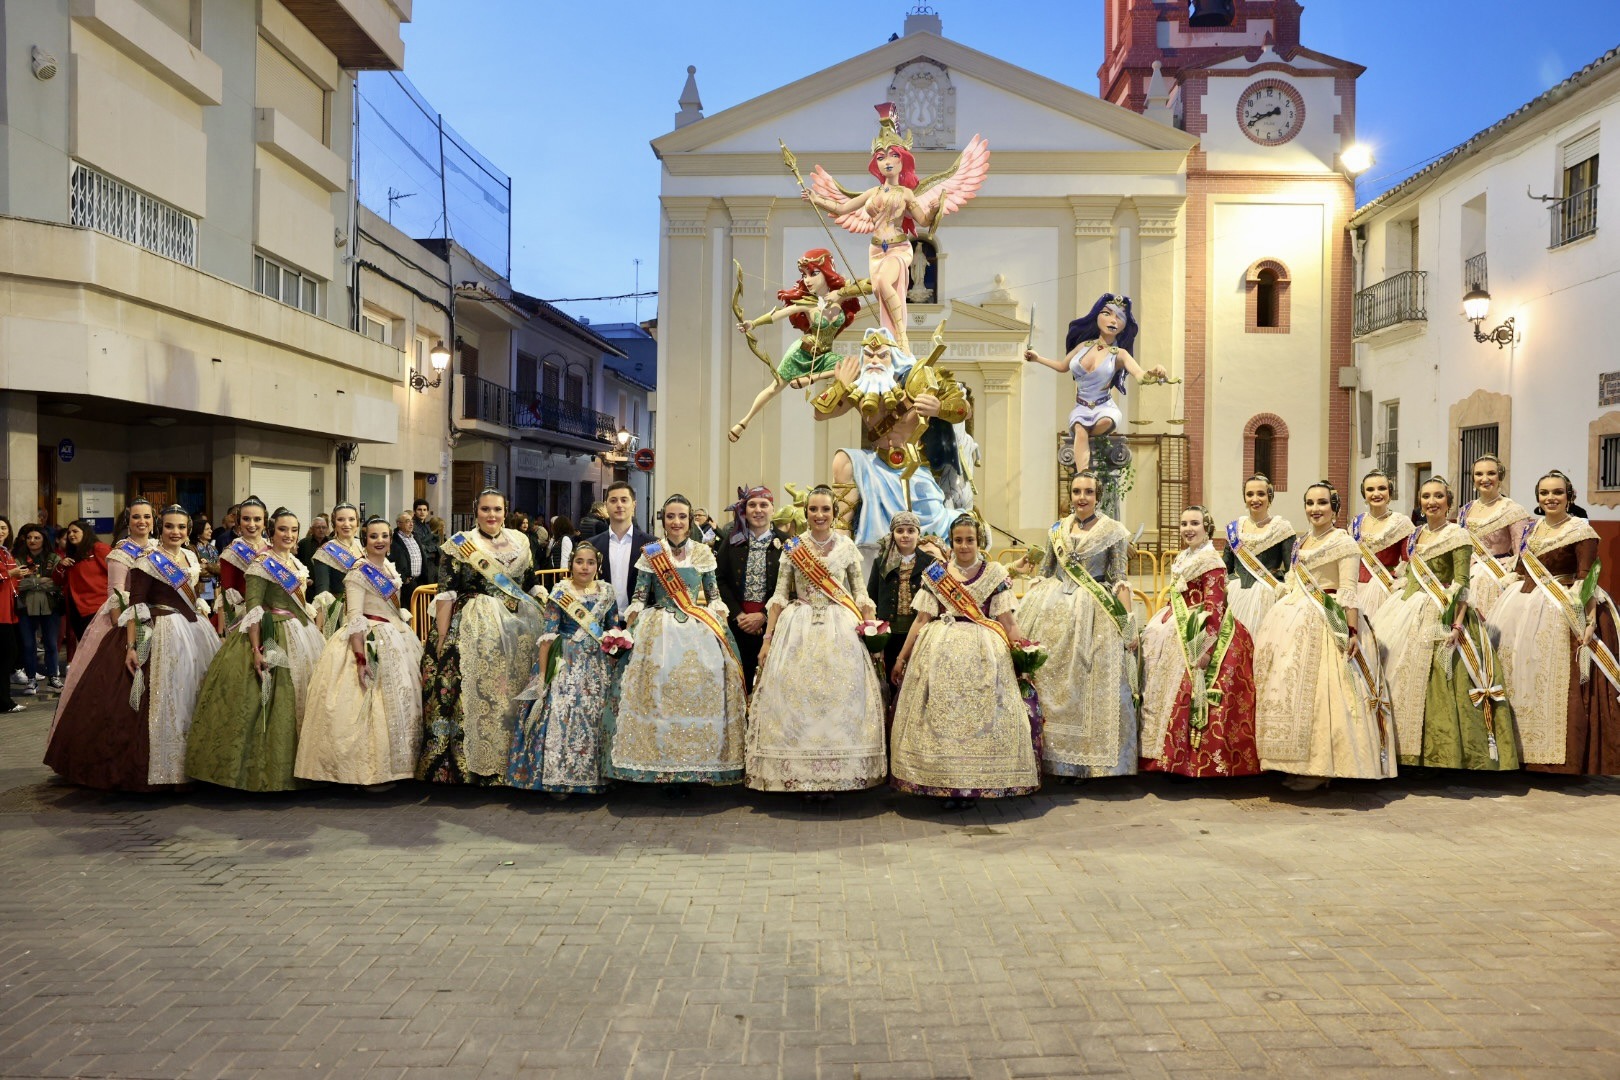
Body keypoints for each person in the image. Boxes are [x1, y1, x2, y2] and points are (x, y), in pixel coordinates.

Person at [44, 505, 219, 790]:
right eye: (170, 526)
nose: (175, 532)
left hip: (195, 630)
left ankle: (197, 762)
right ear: (160, 528)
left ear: (188, 531)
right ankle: (164, 767)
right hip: (162, 632)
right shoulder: (147, 559)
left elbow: (192, 591)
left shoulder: (190, 555)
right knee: (163, 696)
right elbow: (136, 603)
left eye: (181, 527)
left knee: (195, 692)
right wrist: (132, 645)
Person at [799, 102, 988, 354]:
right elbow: (843, 208)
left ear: (903, 162)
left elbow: (922, 221)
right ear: (876, 164)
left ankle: (902, 339)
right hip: (877, 251)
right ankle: (890, 336)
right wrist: (817, 199)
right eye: (881, 157)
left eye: (893, 156)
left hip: (899, 249)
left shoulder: (907, 193)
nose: (887, 161)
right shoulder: (871, 193)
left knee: (885, 285)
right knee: (878, 288)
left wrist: (933, 209)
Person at [890, 514, 1039, 807]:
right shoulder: (936, 573)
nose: (964, 546)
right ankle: (946, 781)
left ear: (979, 541)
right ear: (951, 542)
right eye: (958, 540)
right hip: (939, 651)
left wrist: (1023, 656)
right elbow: (921, 619)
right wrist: (901, 657)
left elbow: (1008, 623)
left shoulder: (994, 573)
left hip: (984, 652)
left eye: (969, 540)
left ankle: (975, 782)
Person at [1254, 482, 1396, 789]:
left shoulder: (1343, 541)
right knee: (1289, 692)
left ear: (1334, 508)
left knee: (1325, 698)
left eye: (1322, 503)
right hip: (1291, 619)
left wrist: (1352, 631)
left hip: (1328, 620)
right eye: (1310, 503)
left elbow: (1348, 590)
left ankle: (1322, 768)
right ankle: (1294, 763)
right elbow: (1293, 580)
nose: (1315, 509)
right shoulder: (1301, 542)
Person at [746, 486, 886, 796]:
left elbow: (860, 592)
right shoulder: (793, 547)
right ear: (805, 512)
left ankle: (837, 777)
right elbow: (780, 595)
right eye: (813, 509)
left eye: (825, 509)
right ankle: (801, 776)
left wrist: (870, 625)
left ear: (835, 514)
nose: (819, 515)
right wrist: (768, 640)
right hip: (799, 627)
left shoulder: (847, 547)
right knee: (799, 701)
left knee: (839, 700)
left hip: (842, 628)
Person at [1372, 477, 1518, 770]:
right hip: (1405, 611)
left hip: (1445, 614)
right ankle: (1402, 751)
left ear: (1448, 502)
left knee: (1439, 683)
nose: (1431, 501)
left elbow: (1462, 583)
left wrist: (1457, 626)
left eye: (1438, 496)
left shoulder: (1458, 535)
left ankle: (1438, 756)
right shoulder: (1415, 535)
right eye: (1426, 496)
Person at [606, 494, 746, 788]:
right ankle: (662, 766)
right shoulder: (652, 553)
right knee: (660, 697)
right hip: (659, 629)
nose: (677, 522)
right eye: (671, 516)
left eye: (682, 516)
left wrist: (719, 626)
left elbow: (714, 596)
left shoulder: (703, 552)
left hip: (698, 627)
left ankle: (698, 766)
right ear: (663, 520)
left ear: (691, 519)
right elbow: (640, 597)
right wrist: (627, 630)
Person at [1490, 470, 1620, 774]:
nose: (1551, 498)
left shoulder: (1580, 530)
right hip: (1520, 607)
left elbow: (1585, 577)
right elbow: (1522, 569)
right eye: (1545, 493)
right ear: (1537, 498)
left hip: (1562, 607)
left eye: (1557, 493)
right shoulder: (1532, 531)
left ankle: (1555, 759)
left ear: (1569, 496)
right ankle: (1518, 752)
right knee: (1517, 674)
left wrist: (1588, 619)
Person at [186, 507, 325, 791]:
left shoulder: (296, 563)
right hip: (270, 633)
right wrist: (256, 649)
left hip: (301, 633)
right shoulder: (261, 564)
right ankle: (266, 774)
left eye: (293, 530)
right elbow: (254, 610)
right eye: (283, 529)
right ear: (271, 532)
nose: (288, 535)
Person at [1017, 471, 1138, 778]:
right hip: (1052, 607)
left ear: (1098, 496)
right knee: (1046, 676)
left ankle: (1086, 763)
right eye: (1076, 491)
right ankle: (1049, 756)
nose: (1081, 497)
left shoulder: (1114, 531)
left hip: (1093, 610)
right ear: (1069, 495)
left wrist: (1126, 624)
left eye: (1088, 492)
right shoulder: (1056, 530)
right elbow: (1046, 570)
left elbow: (1119, 577)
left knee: (1089, 680)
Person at [417, 489, 541, 785]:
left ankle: (514, 762)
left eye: (497, 509)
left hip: (520, 626)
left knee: (515, 691)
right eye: (485, 509)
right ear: (476, 511)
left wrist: (545, 608)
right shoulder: (460, 544)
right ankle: (474, 766)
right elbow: (446, 592)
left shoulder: (521, 541)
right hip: (476, 627)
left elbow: (530, 582)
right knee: (483, 693)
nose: (491, 515)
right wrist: (443, 638)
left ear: (505, 510)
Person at [295, 516, 422, 788]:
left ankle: (398, 767)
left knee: (397, 704)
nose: (380, 541)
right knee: (369, 703)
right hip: (370, 640)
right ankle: (369, 772)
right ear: (365, 539)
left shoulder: (388, 567)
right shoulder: (358, 572)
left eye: (385, 536)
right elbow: (354, 618)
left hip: (396, 638)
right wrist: (360, 657)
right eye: (374, 536)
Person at [814, 326, 971, 543]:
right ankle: (842, 535)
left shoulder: (918, 383)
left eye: (882, 355)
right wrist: (840, 385)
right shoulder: (860, 388)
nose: (875, 360)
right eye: (868, 355)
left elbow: (964, 409)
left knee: (933, 524)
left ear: (893, 357)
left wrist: (939, 408)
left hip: (913, 466)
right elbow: (820, 414)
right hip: (876, 464)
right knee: (844, 459)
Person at [1140, 507, 1262, 778]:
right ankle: (1157, 753)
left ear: (1207, 527)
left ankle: (1188, 759)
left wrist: (1205, 648)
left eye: (1194, 523)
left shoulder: (1212, 561)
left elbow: (1214, 607)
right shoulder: (1184, 557)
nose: (1188, 528)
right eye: (1183, 523)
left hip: (1200, 628)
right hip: (1170, 623)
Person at [506, 542, 619, 795]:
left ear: (598, 566)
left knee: (596, 717)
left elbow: (613, 628)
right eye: (580, 561)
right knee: (563, 714)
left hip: (598, 665)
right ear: (571, 564)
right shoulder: (560, 591)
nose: (585, 567)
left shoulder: (606, 592)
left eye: (591, 562)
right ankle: (559, 778)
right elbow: (548, 635)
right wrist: (543, 677)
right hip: (566, 659)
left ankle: (599, 777)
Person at [729, 248, 870, 442]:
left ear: (827, 271)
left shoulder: (840, 296)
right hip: (802, 352)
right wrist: (752, 323)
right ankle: (745, 421)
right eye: (804, 275)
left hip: (825, 355)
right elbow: (778, 314)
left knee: (855, 368)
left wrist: (842, 293)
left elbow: (868, 285)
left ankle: (810, 379)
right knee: (775, 387)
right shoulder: (808, 302)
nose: (807, 280)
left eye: (813, 273)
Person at [1023, 294, 1168, 475]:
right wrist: (1037, 359)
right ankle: (1083, 477)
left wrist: (1155, 372)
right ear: (1097, 316)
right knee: (1079, 428)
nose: (1113, 320)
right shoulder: (1083, 345)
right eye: (1107, 313)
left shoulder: (1119, 354)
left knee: (1105, 421)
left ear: (1124, 326)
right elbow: (1062, 366)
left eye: (1120, 317)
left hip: (1104, 407)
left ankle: (1088, 451)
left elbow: (1140, 376)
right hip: (1081, 406)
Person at [48, 502, 158, 733]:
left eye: (147, 516)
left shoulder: (159, 548)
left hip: (158, 617)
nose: (142, 521)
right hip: (126, 619)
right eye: (136, 516)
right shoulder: (121, 551)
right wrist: (120, 630)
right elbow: (116, 593)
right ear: (127, 521)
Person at [714, 485, 787, 692]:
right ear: (744, 510)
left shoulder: (787, 543)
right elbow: (719, 579)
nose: (758, 510)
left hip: (773, 625)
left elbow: (791, 588)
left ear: (773, 509)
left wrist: (764, 615)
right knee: (737, 683)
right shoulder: (732, 541)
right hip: (737, 624)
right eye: (752, 505)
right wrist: (738, 614)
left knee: (770, 685)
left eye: (764, 505)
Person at [867, 510, 937, 694]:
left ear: (918, 533)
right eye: (900, 531)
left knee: (916, 680)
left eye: (910, 530)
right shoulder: (881, 562)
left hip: (919, 630)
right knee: (889, 678)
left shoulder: (931, 563)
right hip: (888, 632)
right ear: (893, 534)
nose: (905, 535)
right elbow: (871, 597)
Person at [1458, 453, 1534, 618]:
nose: (1485, 478)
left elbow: (1520, 551)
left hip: (1495, 577)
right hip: (1466, 575)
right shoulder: (1465, 510)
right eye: (1479, 474)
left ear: (1500, 477)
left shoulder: (1513, 510)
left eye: (1491, 473)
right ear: (1473, 479)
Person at [1223, 474, 1294, 634]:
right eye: (1250, 494)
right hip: (1236, 595)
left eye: (1261, 494)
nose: (1255, 499)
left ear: (1270, 497)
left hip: (1267, 596)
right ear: (1244, 498)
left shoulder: (1282, 528)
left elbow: (1292, 571)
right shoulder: (1233, 530)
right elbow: (1225, 570)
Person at [1350, 469, 1413, 621]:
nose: (1376, 493)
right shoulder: (1355, 523)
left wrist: (1397, 581)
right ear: (1364, 495)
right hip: (1357, 589)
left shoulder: (1401, 523)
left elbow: (1409, 561)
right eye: (1370, 489)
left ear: (1390, 493)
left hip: (1385, 589)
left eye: (1382, 488)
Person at [586, 481, 655, 615]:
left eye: (624, 500)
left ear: (634, 505)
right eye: (613, 500)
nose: (619, 505)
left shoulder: (652, 545)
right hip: (602, 622)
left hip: (639, 621)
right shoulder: (592, 545)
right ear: (606, 506)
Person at [13, 524, 65, 693]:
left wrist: (32, 583)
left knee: (51, 643)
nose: (32, 541)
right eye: (29, 538)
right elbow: (17, 584)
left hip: (50, 607)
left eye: (36, 538)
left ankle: (53, 678)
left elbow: (57, 583)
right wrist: (41, 581)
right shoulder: (18, 559)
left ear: (44, 540)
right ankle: (31, 680)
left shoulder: (53, 557)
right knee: (28, 645)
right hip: (25, 607)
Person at [56, 519, 111, 660]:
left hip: (97, 608)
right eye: (69, 532)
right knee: (87, 651)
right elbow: (58, 580)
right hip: (76, 610)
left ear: (85, 533)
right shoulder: (70, 555)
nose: (71, 535)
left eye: (75, 531)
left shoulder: (98, 548)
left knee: (100, 652)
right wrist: (61, 566)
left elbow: (116, 573)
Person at [215, 496, 268, 631]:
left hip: (270, 616)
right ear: (238, 521)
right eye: (246, 519)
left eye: (257, 519)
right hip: (242, 619)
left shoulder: (272, 548)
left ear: (264, 522)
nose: (251, 524)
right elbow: (227, 595)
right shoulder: (232, 551)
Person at [310, 503, 363, 636]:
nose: (347, 524)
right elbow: (323, 593)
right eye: (341, 520)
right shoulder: (326, 551)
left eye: (351, 519)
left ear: (357, 522)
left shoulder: (362, 546)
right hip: (340, 614)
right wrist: (319, 628)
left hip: (365, 609)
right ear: (334, 524)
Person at [0, 517, 20, 714]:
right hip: (0, 612)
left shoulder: (5, 552)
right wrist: (9, 574)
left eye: (3, 527)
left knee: (8, 654)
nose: (0, 531)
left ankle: (5, 699)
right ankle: (4, 701)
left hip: (7, 610)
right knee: (7, 654)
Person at [389, 511, 428, 606]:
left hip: (419, 581)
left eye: (412, 521)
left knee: (420, 612)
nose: (411, 524)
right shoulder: (394, 541)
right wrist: (404, 578)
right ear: (399, 524)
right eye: (407, 521)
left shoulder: (415, 537)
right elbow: (392, 561)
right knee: (408, 612)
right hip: (407, 583)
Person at [411, 498, 442, 587]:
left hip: (430, 563)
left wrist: (434, 548)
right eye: (419, 510)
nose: (422, 512)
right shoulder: (413, 525)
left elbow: (433, 544)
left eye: (424, 510)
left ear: (428, 512)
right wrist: (434, 548)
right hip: (420, 564)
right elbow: (420, 546)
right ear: (414, 511)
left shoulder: (427, 526)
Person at [191, 517, 219, 612]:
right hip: (201, 589)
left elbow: (221, 569)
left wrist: (207, 566)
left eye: (210, 528)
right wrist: (214, 569)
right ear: (199, 531)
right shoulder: (191, 548)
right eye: (207, 529)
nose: (211, 531)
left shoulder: (213, 548)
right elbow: (196, 571)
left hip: (215, 588)